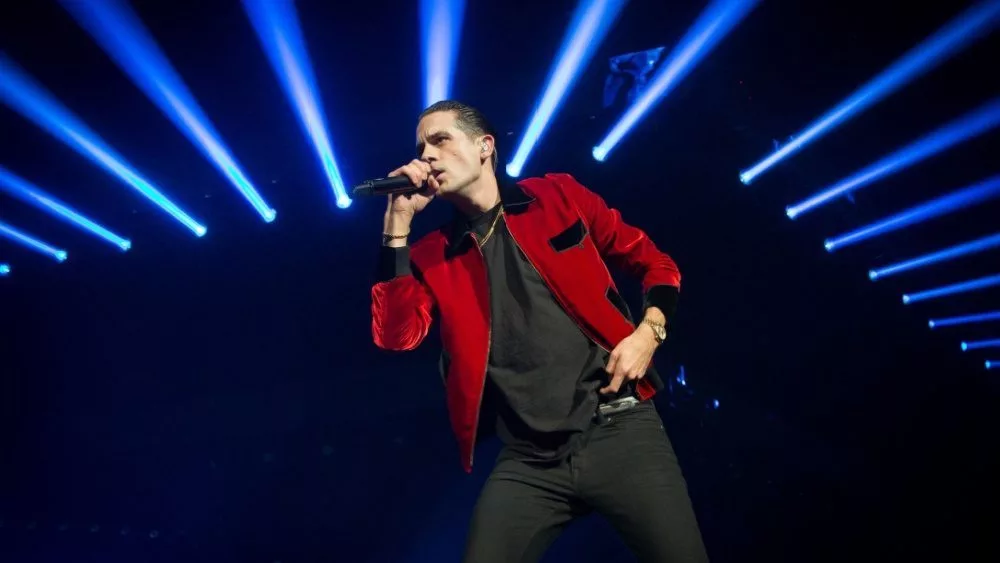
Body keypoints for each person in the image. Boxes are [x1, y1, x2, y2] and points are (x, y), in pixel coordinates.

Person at [370, 100, 708, 562]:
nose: (426, 155)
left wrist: (648, 333)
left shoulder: (557, 196)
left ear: (485, 146)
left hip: (618, 429)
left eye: (440, 140)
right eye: (420, 146)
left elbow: (657, 264)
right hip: (528, 460)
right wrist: (397, 228)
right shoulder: (433, 254)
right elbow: (396, 335)